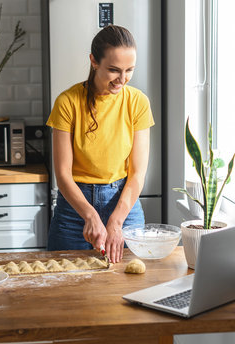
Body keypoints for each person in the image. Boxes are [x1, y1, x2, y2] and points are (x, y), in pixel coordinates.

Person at [46, 25, 155, 263]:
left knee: (129, 285)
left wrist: (116, 221)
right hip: (74, 209)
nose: (122, 79)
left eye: (129, 70)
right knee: (65, 287)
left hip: (124, 204)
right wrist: (89, 215)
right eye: (114, 70)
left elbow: (137, 174)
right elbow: (63, 174)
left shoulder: (138, 103)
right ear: (94, 61)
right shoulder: (67, 102)